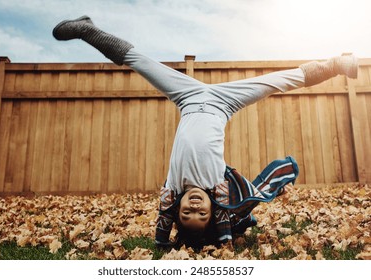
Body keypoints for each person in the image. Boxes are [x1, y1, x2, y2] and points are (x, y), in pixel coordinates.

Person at [52, 15, 358, 249]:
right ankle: (336, 63)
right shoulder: (216, 185)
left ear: (177, 208)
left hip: (186, 98)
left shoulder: (175, 184)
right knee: (279, 81)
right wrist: (225, 239)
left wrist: (163, 239)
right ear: (215, 207)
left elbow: (164, 224)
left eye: (186, 215)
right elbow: (224, 224)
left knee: (139, 61)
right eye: (202, 215)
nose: (194, 209)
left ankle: (87, 29)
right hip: (223, 103)